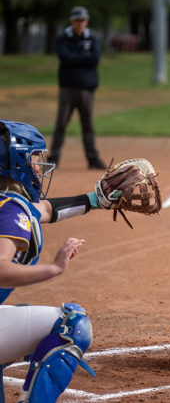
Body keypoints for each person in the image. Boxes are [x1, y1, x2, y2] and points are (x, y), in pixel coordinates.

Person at [0, 119, 109, 402]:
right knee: (72, 324)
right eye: (34, 158)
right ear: (17, 164)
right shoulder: (12, 212)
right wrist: (55, 267)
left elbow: (45, 210)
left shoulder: (9, 205)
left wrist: (95, 199)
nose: (39, 166)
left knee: (17, 316)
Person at [48, 6, 107, 170]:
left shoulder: (93, 38)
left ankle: (92, 158)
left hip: (87, 89)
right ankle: (53, 158)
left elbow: (94, 59)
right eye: (77, 20)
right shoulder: (63, 39)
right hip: (68, 88)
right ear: (71, 21)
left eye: (82, 20)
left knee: (87, 125)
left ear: (86, 21)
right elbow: (64, 57)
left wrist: (76, 58)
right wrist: (83, 57)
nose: (80, 24)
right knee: (61, 124)